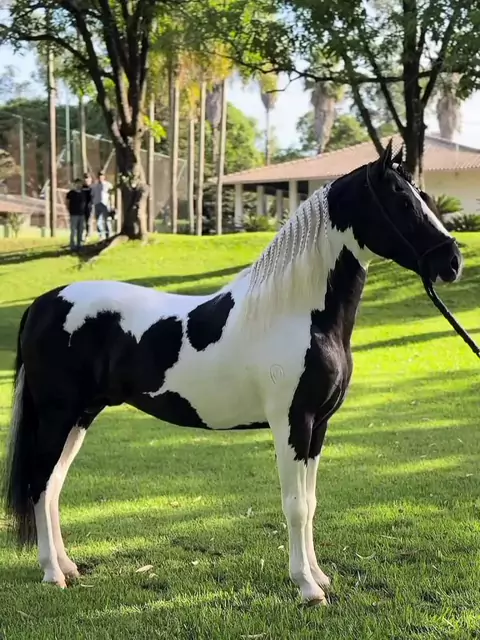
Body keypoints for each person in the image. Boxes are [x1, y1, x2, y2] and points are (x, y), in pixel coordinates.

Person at [91, 170, 113, 240]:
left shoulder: (108, 185)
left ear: (104, 176)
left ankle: (108, 235)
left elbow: (111, 195)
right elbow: (92, 195)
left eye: (102, 175)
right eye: (100, 175)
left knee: (107, 221)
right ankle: (101, 236)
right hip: (97, 204)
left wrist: (112, 204)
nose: (101, 177)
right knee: (98, 221)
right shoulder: (95, 185)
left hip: (105, 204)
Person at [65, 178, 86, 252]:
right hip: (74, 214)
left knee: (81, 230)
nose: (79, 185)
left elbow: (85, 203)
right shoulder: (71, 193)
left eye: (80, 184)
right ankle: (72, 245)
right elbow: (67, 202)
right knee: (73, 230)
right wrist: (69, 210)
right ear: (75, 184)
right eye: (77, 184)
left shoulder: (83, 193)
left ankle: (79, 244)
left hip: (81, 214)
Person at [81, 173, 93, 240]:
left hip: (90, 207)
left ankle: (88, 235)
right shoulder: (81, 187)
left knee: (88, 221)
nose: (86, 180)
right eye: (85, 179)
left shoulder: (92, 187)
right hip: (82, 207)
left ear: (90, 179)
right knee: (82, 221)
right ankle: (82, 234)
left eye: (88, 178)